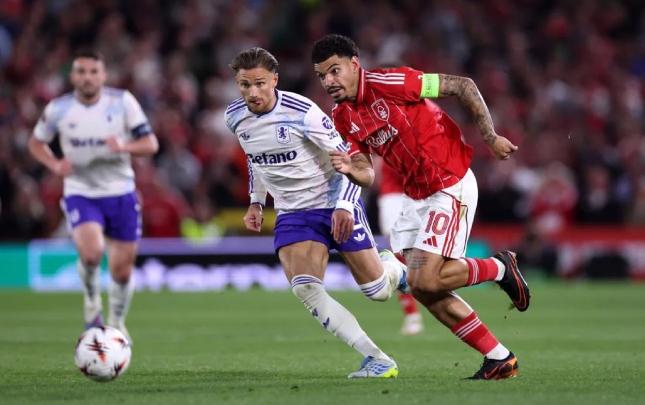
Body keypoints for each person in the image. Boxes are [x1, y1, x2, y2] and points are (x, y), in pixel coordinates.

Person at [312, 34, 531, 380]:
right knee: (421, 287)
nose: (328, 81)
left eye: (334, 71)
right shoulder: (342, 116)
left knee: (426, 278)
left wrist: (490, 137)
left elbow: (463, 86)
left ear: (354, 65)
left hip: (449, 183)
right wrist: (352, 170)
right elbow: (367, 172)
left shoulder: (392, 82)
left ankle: (500, 268)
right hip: (415, 197)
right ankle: (499, 358)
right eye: (322, 76)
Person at [225, 47, 408, 378]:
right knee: (305, 288)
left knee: (378, 291)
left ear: (274, 80)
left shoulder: (303, 112)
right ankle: (377, 358)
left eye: (260, 83)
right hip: (293, 212)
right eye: (244, 85)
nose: (252, 92)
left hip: (334, 202)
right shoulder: (235, 117)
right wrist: (256, 200)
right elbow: (256, 158)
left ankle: (395, 268)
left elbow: (351, 160)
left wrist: (345, 207)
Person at [28, 50, 159, 343]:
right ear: (73, 76)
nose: (87, 77)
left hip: (121, 192)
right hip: (81, 192)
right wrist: (54, 164)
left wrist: (123, 146)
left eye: (93, 72)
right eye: (81, 72)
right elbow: (36, 143)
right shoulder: (58, 108)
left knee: (121, 271)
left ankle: (117, 322)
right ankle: (91, 301)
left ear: (103, 75)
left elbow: (150, 144)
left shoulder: (123, 102)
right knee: (91, 253)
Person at [377, 161, 424, 336]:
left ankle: (415, 312)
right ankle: (412, 313)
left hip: (409, 197)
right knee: (399, 258)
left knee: (409, 258)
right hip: (395, 198)